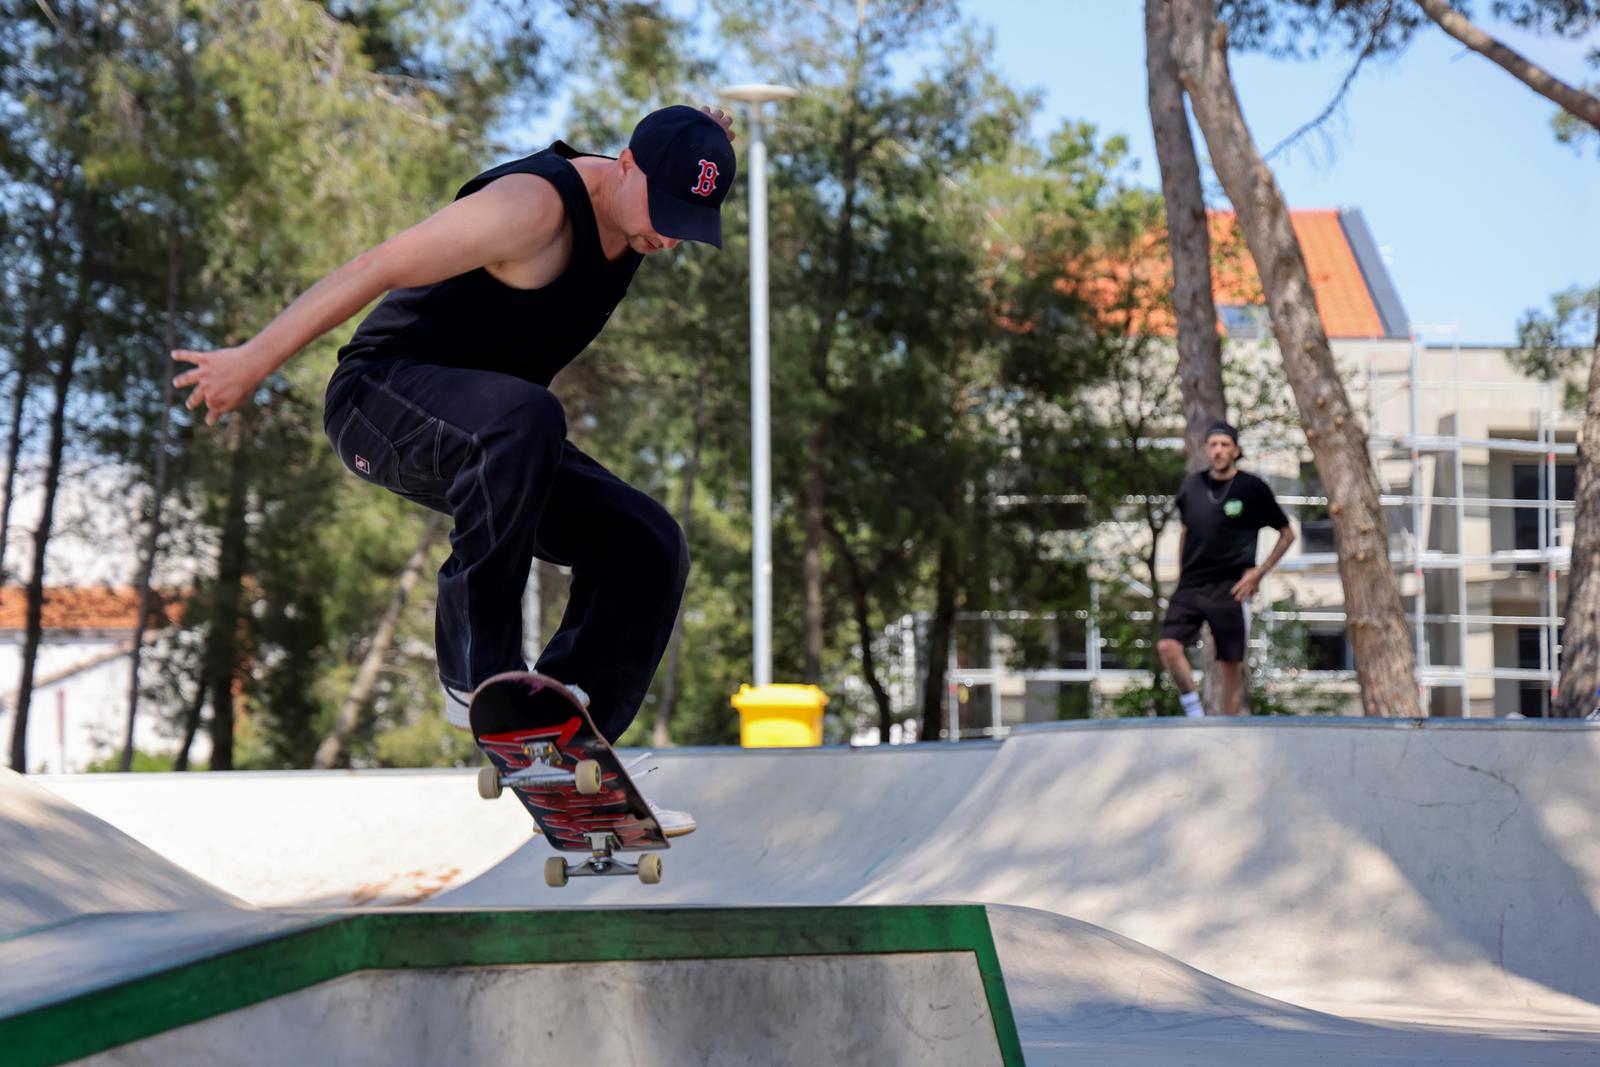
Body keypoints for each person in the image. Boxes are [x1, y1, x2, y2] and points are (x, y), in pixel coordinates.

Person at [171, 105, 740, 836]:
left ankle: (566, 744)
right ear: (625, 162)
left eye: (685, 223)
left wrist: (699, 138)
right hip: (381, 400)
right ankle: (481, 670)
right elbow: (374, 266)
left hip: (497, 439)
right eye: (662, 211)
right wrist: (253, 359)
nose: (666, 235)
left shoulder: (642, 199)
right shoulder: (530, 207)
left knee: (647, 542)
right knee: (530, 415)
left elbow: (676, 158)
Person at [1156, 422, 1295, 717]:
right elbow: (1185, 531)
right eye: (1213, 445)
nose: (1218, 450)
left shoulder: (1251, 487)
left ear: (1236, 450)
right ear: (1206, 449)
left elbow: (1287, 533)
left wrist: (1259, 572)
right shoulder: (1192, 485)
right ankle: (1194, 713)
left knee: (1230, 661)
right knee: (1168, 646)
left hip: (1232, 585)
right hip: (1192, 583)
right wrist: (1182, 575)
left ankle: (1227, 725)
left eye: (1224, 445)